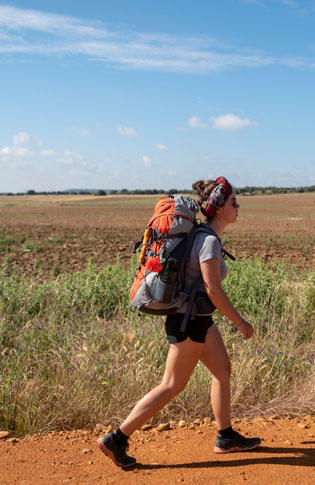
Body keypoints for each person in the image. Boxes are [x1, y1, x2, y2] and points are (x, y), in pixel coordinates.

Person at [98, 177, 259, 469]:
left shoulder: (201, 235)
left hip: (198, 320)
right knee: (172, 384)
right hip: (188, 323)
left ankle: (226, 436)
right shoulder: (208, 240)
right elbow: (213, 290)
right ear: (220, 208)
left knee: (222, 370)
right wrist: (240, 321)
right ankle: (117, 438)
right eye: (234, 201)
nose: (238, 206)